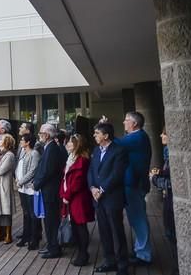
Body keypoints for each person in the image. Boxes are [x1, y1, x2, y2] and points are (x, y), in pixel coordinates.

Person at [88, 122, 129, 275]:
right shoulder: (96, 151)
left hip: (112, 197)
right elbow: (91, 171)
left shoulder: (119, 151)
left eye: (97, 133)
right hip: (98, 198)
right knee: (104, 231)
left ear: (105, 135)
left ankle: (122, 265)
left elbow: (117, 175)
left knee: (117, 231)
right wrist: (92, 188)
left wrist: (102, 189)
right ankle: (109, 261)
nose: (94, 135)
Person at [115, 111, 153, 266]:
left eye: (126, 120)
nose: (124, 122)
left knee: (138, 219)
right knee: (136, 218)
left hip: (134, 184)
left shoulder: (137, 137)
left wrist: (106, 127)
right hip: (134, 183)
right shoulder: (138, 137)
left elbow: (114, 143)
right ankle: (140, 250)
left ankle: (144, 255)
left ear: (134, 123)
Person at [59, 133, 94, 266]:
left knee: (80, 226)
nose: (67, 144)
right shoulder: (71, 158)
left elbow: (77, 182)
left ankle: (83, 254)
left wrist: (67, 196)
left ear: (77, 145)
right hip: (71, 197)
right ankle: (81, 252)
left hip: (78, 198)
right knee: (75, 225)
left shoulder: (81, 160)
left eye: (70, 143)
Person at [33, 124, 66, 258]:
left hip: (51, 192)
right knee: (48, 221)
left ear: (46, 135)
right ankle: (51, 245)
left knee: (52, 221)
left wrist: (36, 184)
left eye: (40, 133)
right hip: (48, 191)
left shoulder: (52, 149)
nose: (39, 135)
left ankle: (54, 248)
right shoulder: (49, 147)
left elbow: (48, 171)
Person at [150, 127, 178, 275]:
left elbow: (172, 183)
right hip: (168, 200)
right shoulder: (167, 154)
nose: (161, 135)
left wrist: (154, 179)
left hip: (171, 200)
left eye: (165, 133)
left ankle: (178, 267)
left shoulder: (173, 156)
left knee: (172, 234)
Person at [15, 133, 41, 249]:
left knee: (33, 214)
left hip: (29, 188)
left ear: (28, 142)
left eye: (22, 140)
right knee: (26, 214)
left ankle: (34, 240)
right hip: (22, 189)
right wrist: (17, 179)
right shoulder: (23, 153)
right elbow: (18, 168)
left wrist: (21, 181)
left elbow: (33, 171)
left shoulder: (34, 153)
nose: (20, 142)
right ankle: (25, 237)